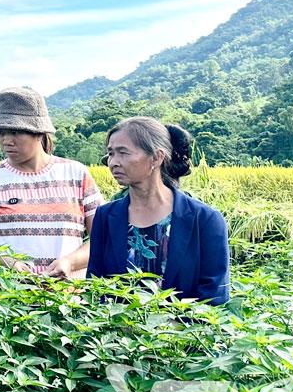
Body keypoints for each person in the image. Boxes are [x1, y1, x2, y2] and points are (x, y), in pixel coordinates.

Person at [0, 87, 103, 277]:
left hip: (68, 301)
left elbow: (101, 237)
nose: (6, 141)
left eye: (15, 132)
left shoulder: (76, 174)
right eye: (1, 132)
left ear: (38, 132)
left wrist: (69, 262)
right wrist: (7, 262)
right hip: (10, 300)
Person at [87, 118, 230, 304]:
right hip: (117, 332)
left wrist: (170, 327)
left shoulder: (204, 219)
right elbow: (96, 286)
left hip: (186, 332)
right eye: (111, 153)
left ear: (156, 157)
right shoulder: (106, 217)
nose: (113, 162)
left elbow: (216, 295)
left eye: (123, 152)